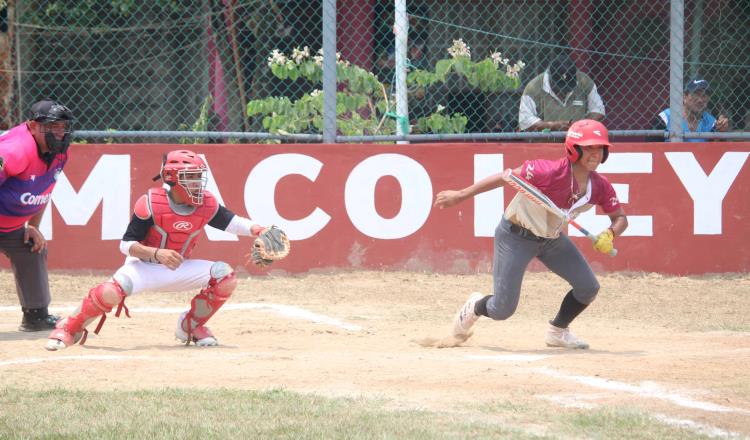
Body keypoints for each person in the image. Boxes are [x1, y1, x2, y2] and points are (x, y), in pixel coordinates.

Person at [46, 149, 272, 350]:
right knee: (110, 292)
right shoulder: (151, 203)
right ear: (171, 178)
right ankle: (69, 328)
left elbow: (232, 222)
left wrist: (258, 229)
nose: (196, 183)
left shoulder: (206, 203)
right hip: (143, 267)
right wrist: (156, 253)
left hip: (178, 268)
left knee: (226, 276)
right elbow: (125, 245)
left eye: (198, 177)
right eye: (190, 177)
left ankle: (191, 326)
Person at [434, 119, 628, 349]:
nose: (596, 153)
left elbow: (620, 218)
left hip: (551, 239)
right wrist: (460, 195)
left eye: (600, 148)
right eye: (589, 148)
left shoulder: (601, 186)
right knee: (502, 309)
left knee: (588, 288)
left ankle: (558, 332)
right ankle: (476, 306)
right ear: (573, 149)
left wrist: (610, 234)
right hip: (516, 235)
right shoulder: (548, 171)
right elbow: (505, 177)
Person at [0, 99, 74, 332]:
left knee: (32, 247)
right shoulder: (14, 151)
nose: (59, 132)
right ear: (32, 126)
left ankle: (36, 317)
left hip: (9, 224)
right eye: (52, 127)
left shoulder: (59, 151)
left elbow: (43, 190)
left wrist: (32, 226)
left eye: (62, 127)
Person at [518, 53, 605, 132]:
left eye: (567, 88)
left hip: (579, 141)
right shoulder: (533, 87)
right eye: (559, 87)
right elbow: (525, 120)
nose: (562, 92)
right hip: (545, 143)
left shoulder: (584, 81)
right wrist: (552, 126)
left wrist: (582, 126)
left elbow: (598, 110)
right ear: (550, 77)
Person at [650, 78, 730, 141]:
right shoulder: (665, 118)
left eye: (704, 95)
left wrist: (722, 133)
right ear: (684, 97)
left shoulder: (711, 123)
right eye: (696, 95)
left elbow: (716, 151)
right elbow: (650, 148)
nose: (700, 100)